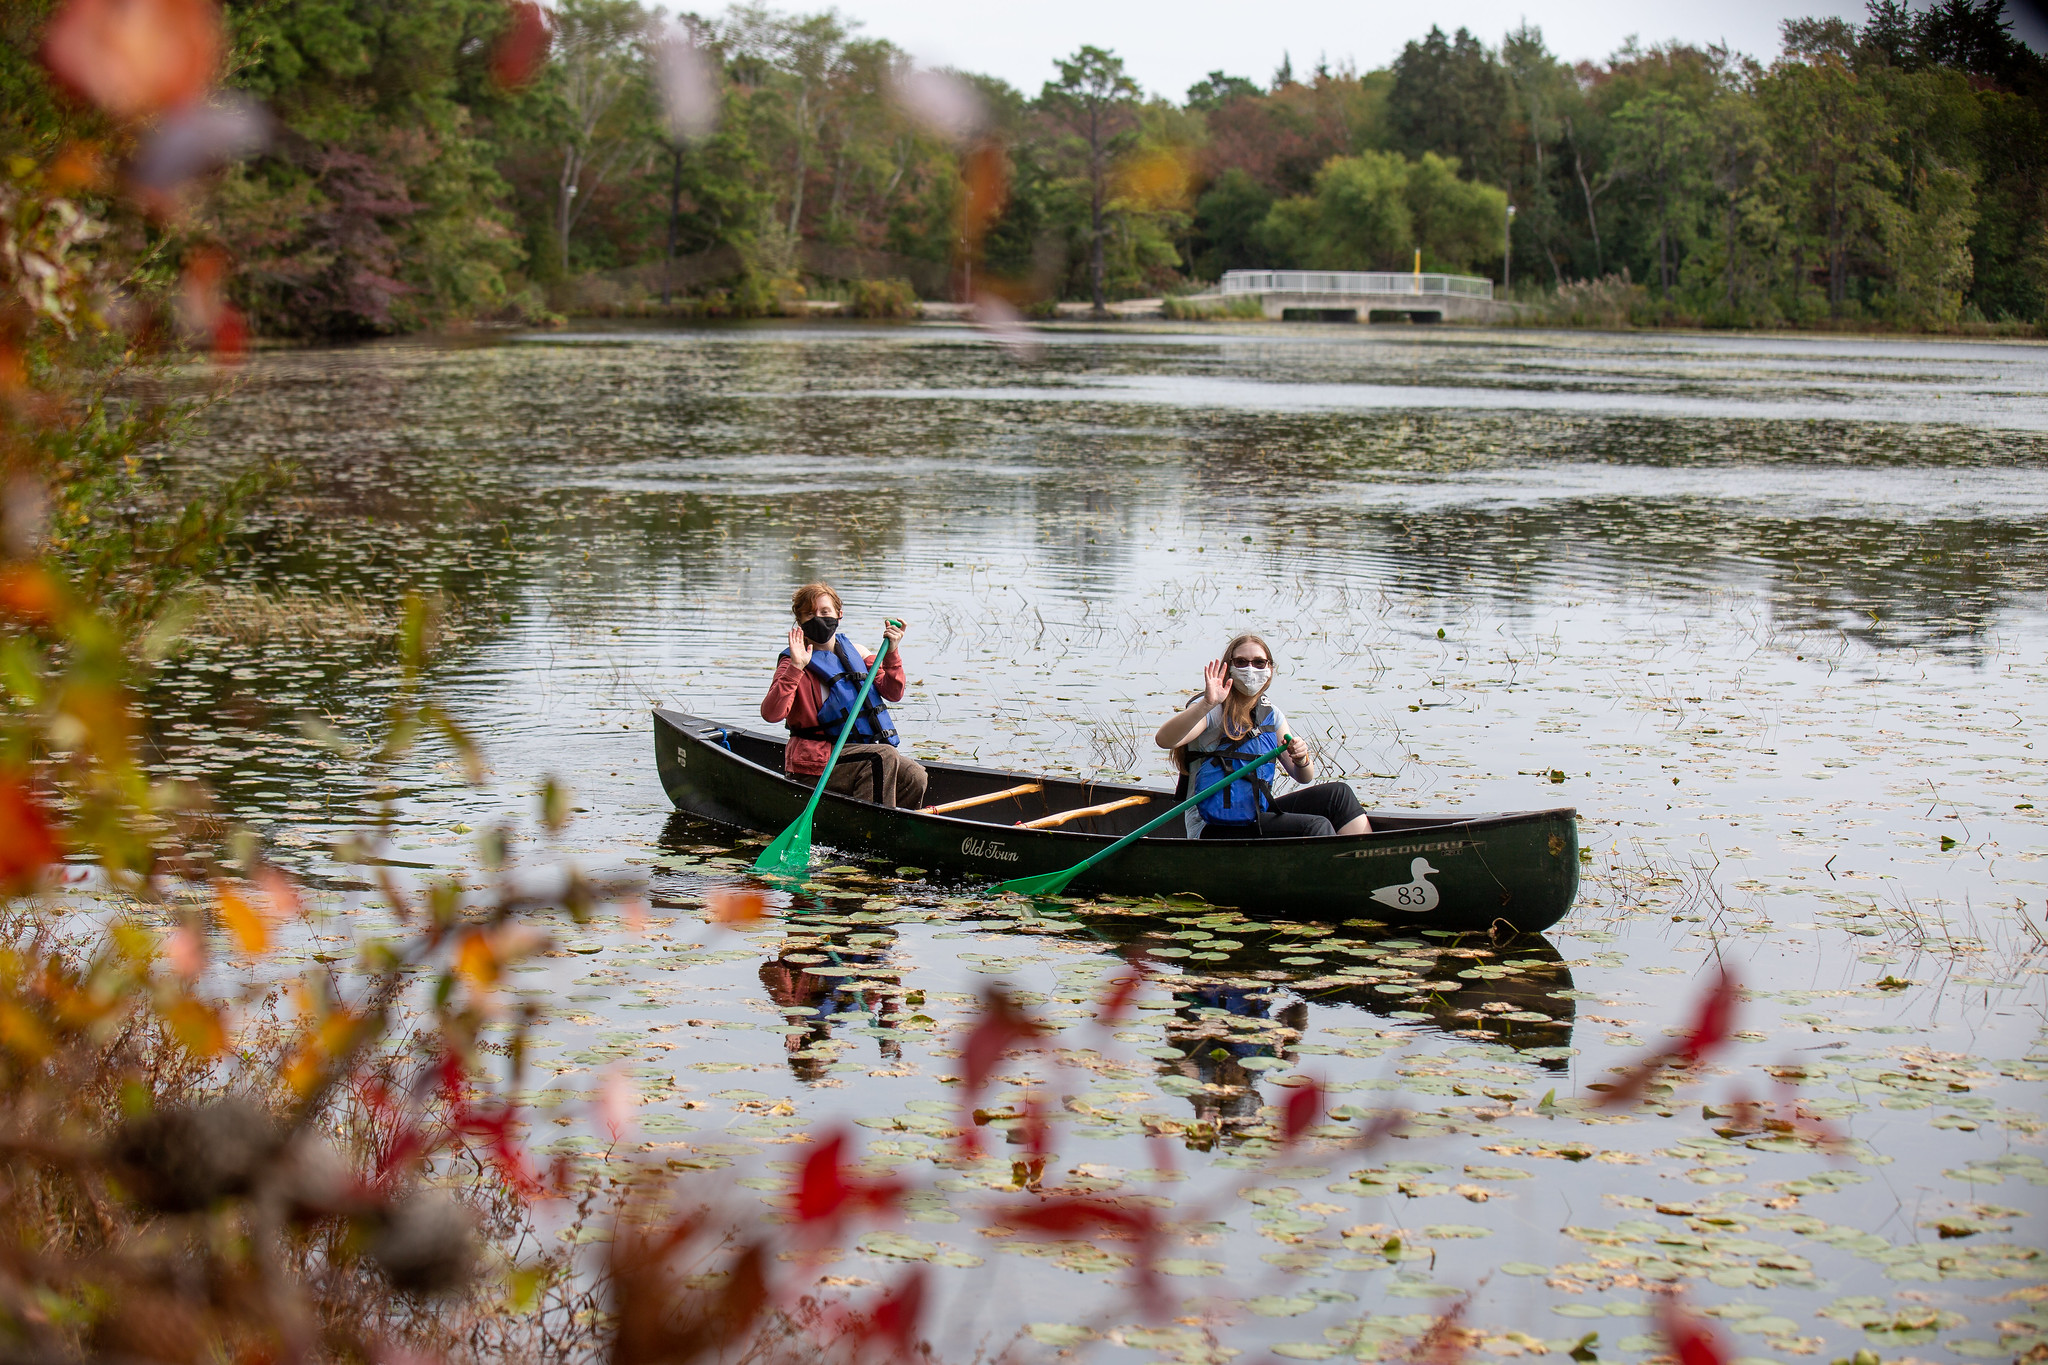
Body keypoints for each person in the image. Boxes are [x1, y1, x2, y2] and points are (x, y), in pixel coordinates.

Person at [1152, 632, 1370, 839]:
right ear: (1229, 668)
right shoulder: (1212, 710)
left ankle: (1362, 860)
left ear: (1270, 669)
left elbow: (1304, 776)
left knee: (1338, 795)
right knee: (1315, 826)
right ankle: (1337, 873)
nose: (1250, 669)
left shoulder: (1271, 714)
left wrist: (1302, 758)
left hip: (1255, 814)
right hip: (1212, 825)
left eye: (1258, 662)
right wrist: (1207, 703)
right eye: (1241, 662)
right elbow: (1164, 740)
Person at [760, 582, 928, 808]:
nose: (818, 618)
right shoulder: (793, 661)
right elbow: (771, 714)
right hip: (813, 762)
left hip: (854, 753)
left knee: (915, 776)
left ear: (839, 615)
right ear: (800, 621)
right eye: (809, 614)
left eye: (824, 611)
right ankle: (869, 828)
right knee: (881, 756)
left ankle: (895, 827)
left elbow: (893, 692)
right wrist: (796, 669)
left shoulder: (857, 652)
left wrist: (892, 653)